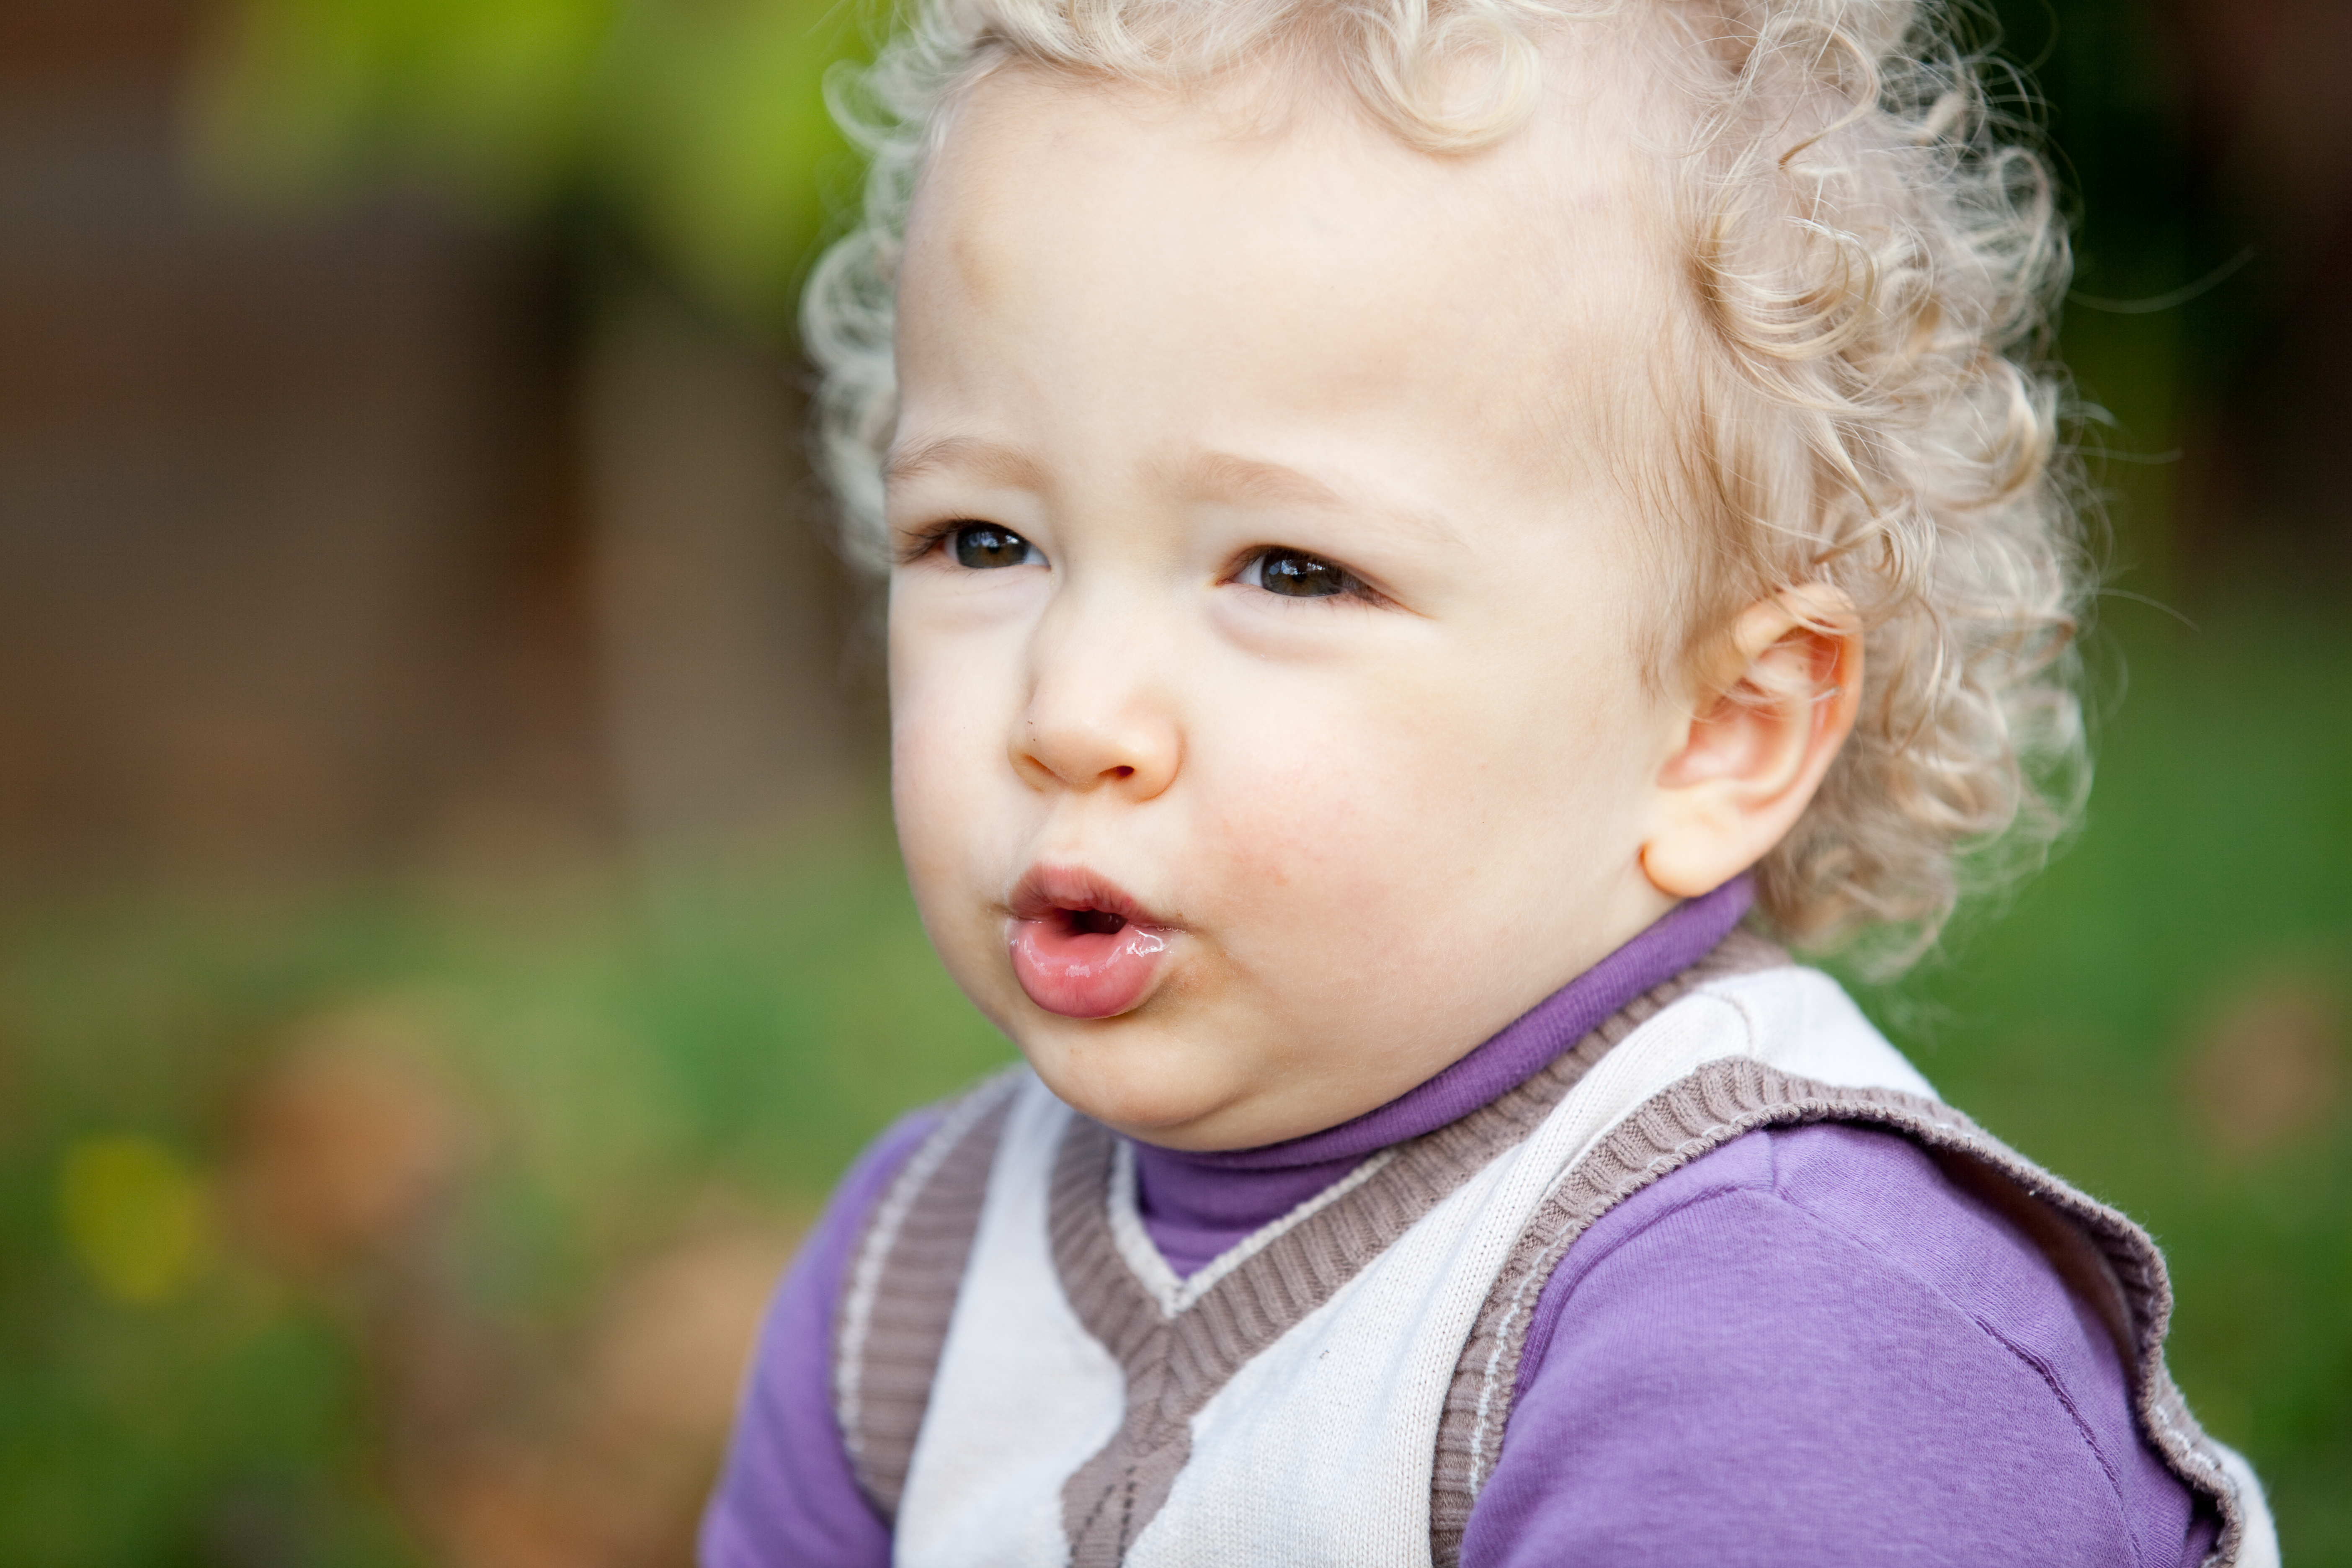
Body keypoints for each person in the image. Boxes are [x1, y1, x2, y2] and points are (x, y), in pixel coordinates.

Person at [703, 1, 2278, 1562]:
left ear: (1718, 731)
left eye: (1293, 570)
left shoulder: (1771, 1322)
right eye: (985, 539)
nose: (1070, 709)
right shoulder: (907, 1292)